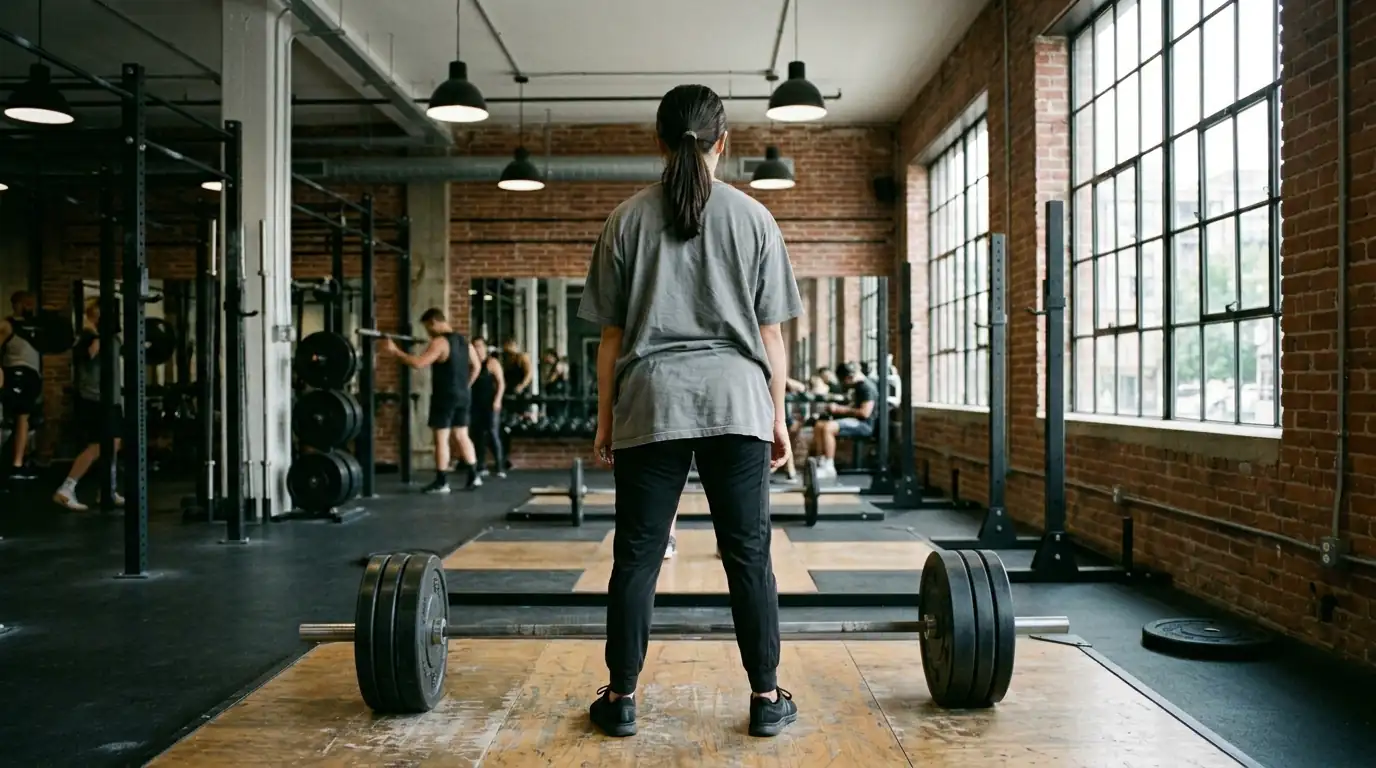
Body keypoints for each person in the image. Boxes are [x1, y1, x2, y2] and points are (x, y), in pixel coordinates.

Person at [579, 83, 801, 739]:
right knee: (749, 555)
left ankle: (621, 698)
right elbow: (771, 336)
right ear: (721, 143)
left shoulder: (624, 221)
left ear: (659, 141)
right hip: (738, 401)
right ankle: (766, 698)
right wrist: (777, 417)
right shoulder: (754, 218)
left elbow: (611, 339)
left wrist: (606, 419)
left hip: (652, 402)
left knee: (638, 557)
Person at [379, 309, 482, 493]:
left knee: (441, 438)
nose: (428, 333)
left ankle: (442, 482)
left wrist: (395, 351)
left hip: (445, 396)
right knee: (462, 435)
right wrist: (466, 385)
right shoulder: (465, 341)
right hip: (463, 395)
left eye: (428, 328)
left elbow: (418, 363)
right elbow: (477, 366)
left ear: (434, 322)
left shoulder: (440, 342)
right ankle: (474, 476)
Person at [53, 297, 125, 511]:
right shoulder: (88, 336)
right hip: (95, 399)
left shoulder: (110, 337)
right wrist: (97, 337)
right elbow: (89, 355)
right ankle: (66, 489)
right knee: (98, 445)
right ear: (94, 314)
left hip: (110, 398)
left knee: (114, 443)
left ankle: (107, 489)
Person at [0, 290, 42, 479]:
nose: (29, 306)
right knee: (19, 418)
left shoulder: (35, 326)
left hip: (32, 376)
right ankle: (16, 465)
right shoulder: (7, 325)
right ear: (16, 304)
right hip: (16, 374)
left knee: (26, 420)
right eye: (25, 303)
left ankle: (17, 462)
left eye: (31, 303)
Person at [809, 363, 877, 479]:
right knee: (819, 425)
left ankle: (829, 467)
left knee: (828, 427)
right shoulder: (858, 386)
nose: (845, 384)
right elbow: (854, 406)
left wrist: (839, 409)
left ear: (849, 377)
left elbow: (865, 413)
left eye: (845, 381)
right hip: (855, 420)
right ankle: (822, 460)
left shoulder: (867, 387)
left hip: (864, 425)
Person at [469, 337, 506, 478]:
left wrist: (497, 400)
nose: (477, 349)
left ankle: (500, 467)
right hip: (475, 403)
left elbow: (501, 383)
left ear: (485, 348)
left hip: (490, 402)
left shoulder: (492, 363)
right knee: (477, 434)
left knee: (492, 433)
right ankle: (481, 465)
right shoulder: (472, 364)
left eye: (479, 346)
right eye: (474, 346)